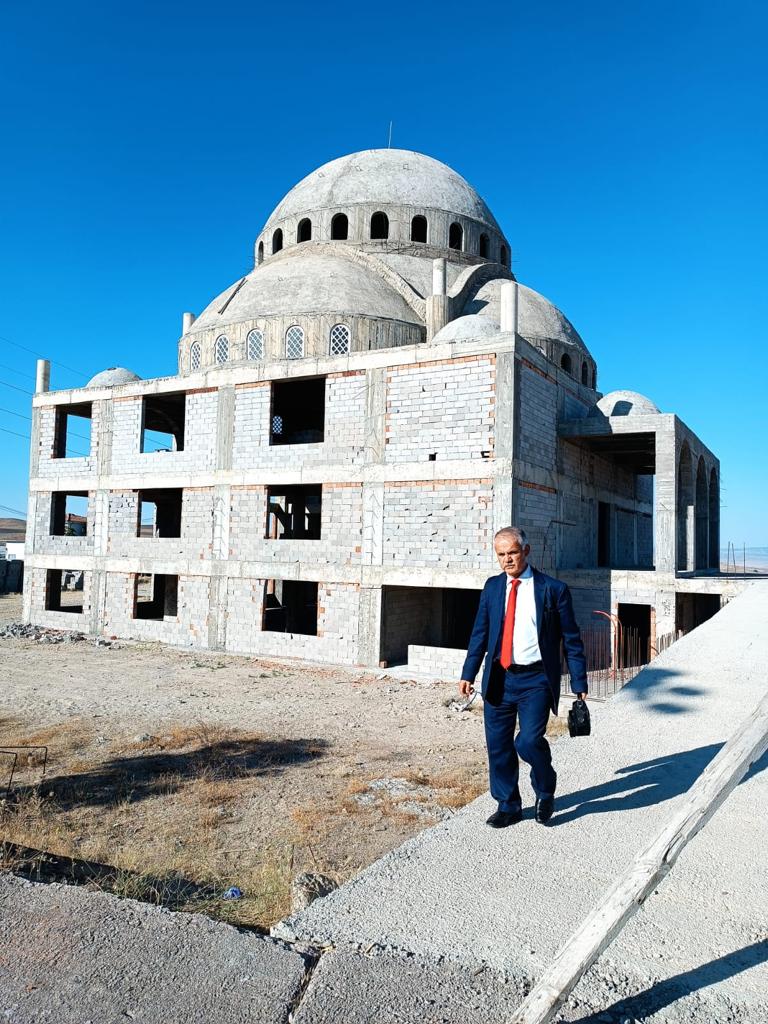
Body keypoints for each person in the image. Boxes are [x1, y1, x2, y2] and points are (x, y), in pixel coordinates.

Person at [459, 526, 587, 828]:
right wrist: (469, 672)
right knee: (499, 745)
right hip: (499, 678)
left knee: (528, 742)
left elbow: (571, 638)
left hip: (536, 680)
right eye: (501, 555)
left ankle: (545, 789)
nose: (507, 560)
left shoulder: (552, 589)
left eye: (512, 553)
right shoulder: (492, 587)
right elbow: (480, 633)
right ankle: (509, 805)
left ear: (526, 551)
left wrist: (579, 683)